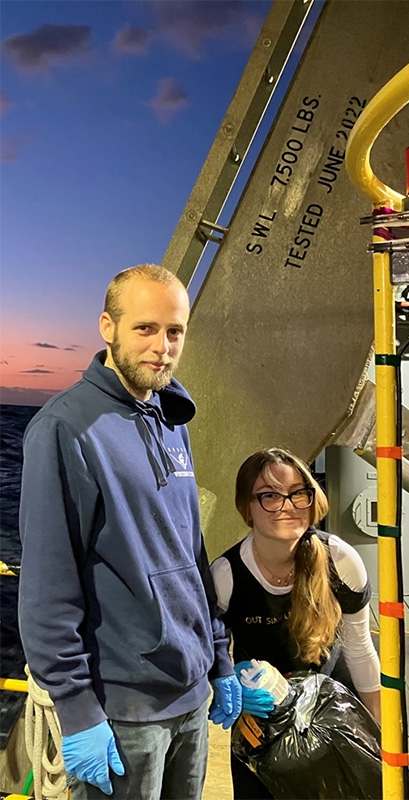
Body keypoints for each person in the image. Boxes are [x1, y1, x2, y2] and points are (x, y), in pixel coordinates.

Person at [18, 264, 242, 799]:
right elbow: (48, 587)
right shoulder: (65, 428)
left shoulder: (171, 419)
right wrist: (76, 709)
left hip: (189, 698)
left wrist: (219, 657)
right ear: (107, 327)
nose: (162, 346)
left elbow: (190, 553)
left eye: (174, 331)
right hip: (121, 714)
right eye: (145, 328)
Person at [211, 447, 381, 799]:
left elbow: (360, 650)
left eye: (297, 493)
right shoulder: (227, 575)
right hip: (261, 723)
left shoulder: (341, 561)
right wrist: (230, 685)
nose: (287, 505)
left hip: (333, 719)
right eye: (270, 495)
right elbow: (212, 651)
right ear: (247, 508)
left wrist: (378, 732)